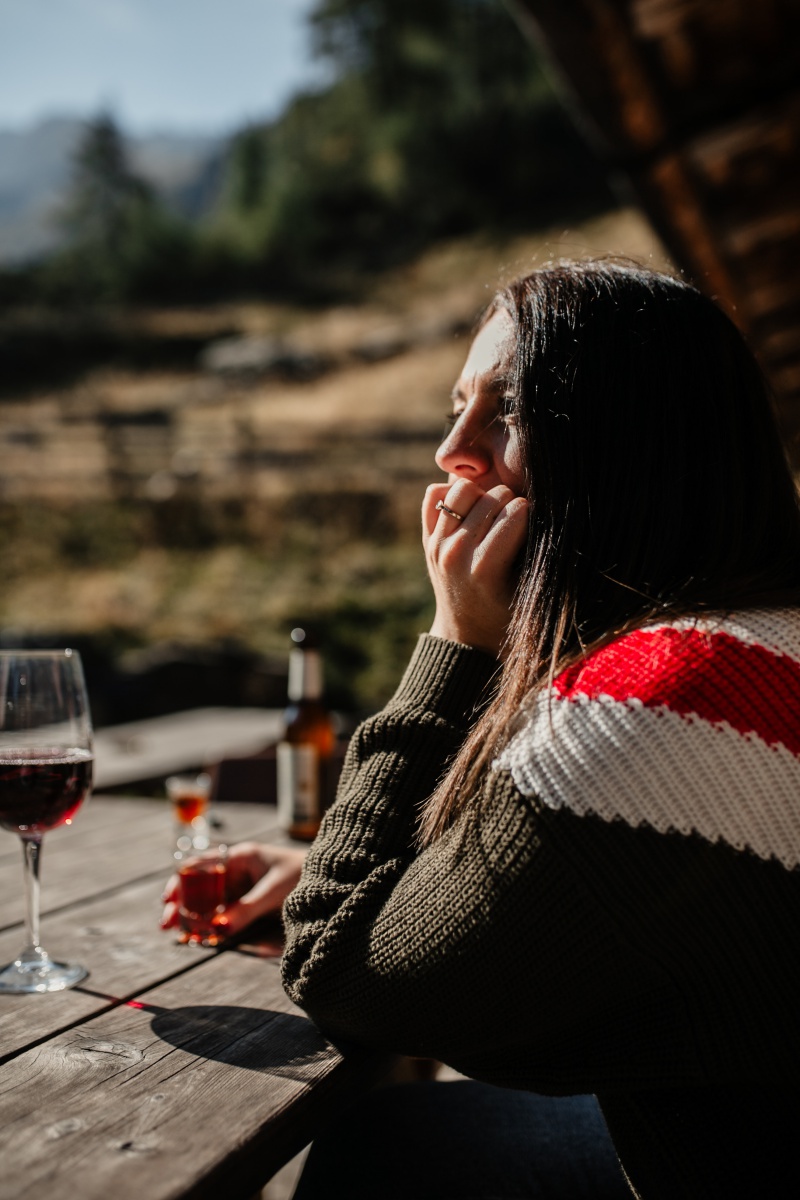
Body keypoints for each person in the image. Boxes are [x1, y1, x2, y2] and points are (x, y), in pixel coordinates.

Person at [163, 261, 800, 1198]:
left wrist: (455, 640)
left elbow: (341, 973)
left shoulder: (668, 694)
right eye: (458, 407)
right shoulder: (768, 642)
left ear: (629, 438)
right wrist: (401, 881)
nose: (453, 452)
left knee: (382, 1154)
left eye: (508, 410)